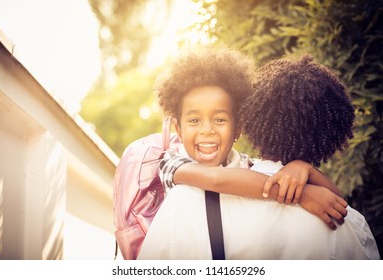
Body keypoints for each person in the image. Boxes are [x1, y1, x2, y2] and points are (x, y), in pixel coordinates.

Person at [138, 53, 380, 259]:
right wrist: (301, 192)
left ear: (242, 126)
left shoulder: (189, 203)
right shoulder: (351, 225)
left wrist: (304, 168)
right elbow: (216, 180)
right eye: (194, 120)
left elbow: (336, 200)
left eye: (220, 119)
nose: (207, 129)